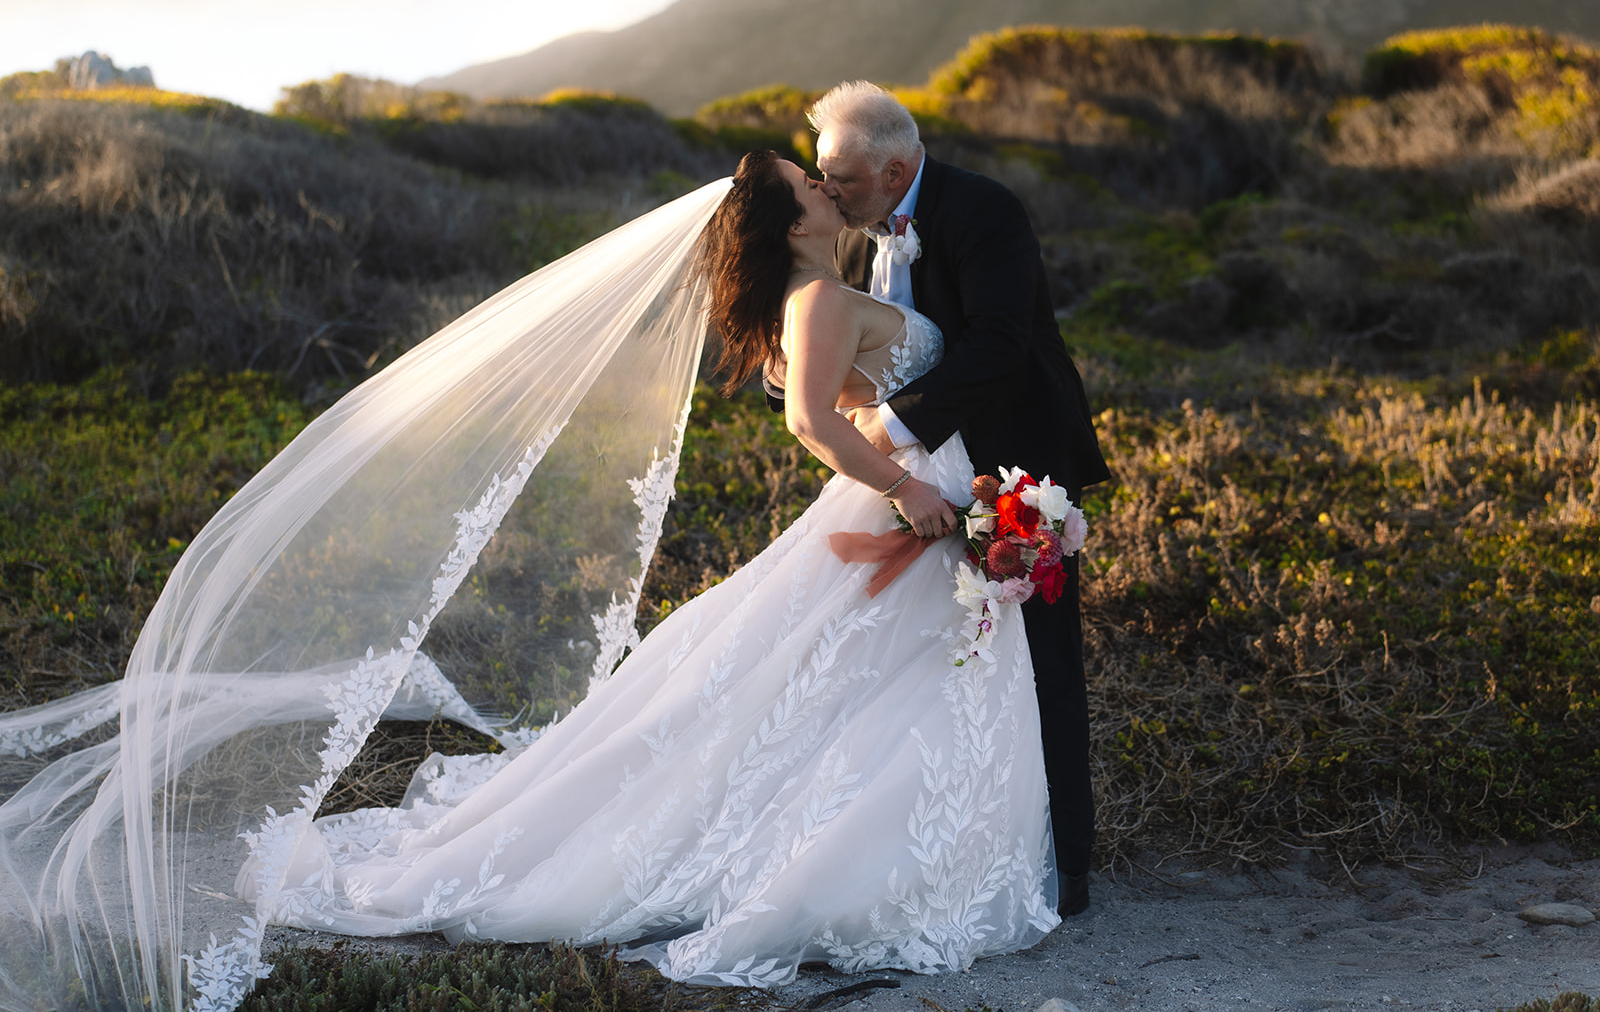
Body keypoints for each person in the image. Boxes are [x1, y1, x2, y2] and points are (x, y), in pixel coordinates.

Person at [0, 152, 1060, 1011]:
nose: (829, 190)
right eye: (811, 184)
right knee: (819, 681)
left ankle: (873, 835)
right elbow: (810, 418)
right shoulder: (819, 293)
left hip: (919, 490)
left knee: (819, 682)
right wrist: (911, 491)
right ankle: (855, 857)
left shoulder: (840, 282)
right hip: (907, 499)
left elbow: (866, 394)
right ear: (790, 224)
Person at [800, 81, 1111, 914]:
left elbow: (1002, 346)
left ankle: (1064, 861)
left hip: (1014, 468)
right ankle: (928, 847)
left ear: (897, 167)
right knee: (922, 658)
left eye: (845, 177)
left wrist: (893, 430)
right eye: (822, 177)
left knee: (1041, 659)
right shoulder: (860, 236)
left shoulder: (985, 211)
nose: (829, 189)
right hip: (918, 477)